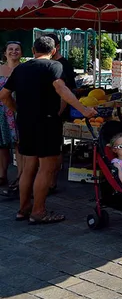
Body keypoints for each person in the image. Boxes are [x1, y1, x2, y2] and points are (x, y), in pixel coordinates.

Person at [0, 36, 96, 224]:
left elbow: (4, 95)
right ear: (52, 52)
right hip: (47, 122)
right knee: (46, 168)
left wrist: (18, 110)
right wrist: (83, 109)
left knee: (28, 168)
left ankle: (23, 208)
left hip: (25, 123)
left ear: (34, 51)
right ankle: (38, 211)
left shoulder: (20, 68)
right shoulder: (54, 66)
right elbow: (61, 89)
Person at [45, 34, 77, 194]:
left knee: (55, 148)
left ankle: (52, 182)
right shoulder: (49, 64)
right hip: (47, 112)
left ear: (55, 46)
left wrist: (59, 111)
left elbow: (67, 91)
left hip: (57, 112)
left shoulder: (63, 65)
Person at [0, 41, 22, 191]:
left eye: (17, 49)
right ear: (5, 52)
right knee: (1, 144)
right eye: (10, 49)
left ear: (21, 53)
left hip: (18, 110)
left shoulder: (24, 69)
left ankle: (21, 177)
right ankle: (2, 175)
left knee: (19, 145)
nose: (13, 52)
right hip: (0, 113)